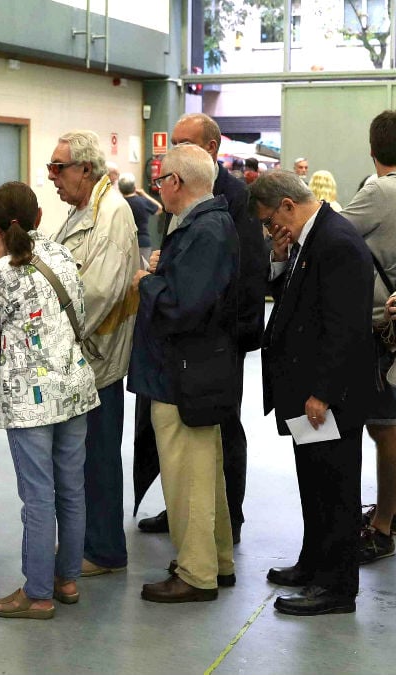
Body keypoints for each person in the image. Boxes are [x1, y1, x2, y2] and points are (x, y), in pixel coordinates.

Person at [0, 182, 99, 620]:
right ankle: (67, 581)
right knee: (72, 490)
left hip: (30, 400)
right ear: (40, 216)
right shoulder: (62, 256)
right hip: (75, 388)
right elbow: (80, 313)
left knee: (38, 496)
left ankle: (38, 593)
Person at [138, 113, 267, 546]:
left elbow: (246, 274)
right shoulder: (184, 202)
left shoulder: (230, 203)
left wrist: (154, 285)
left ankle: (225, 519)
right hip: (183, 340)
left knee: (217, 432)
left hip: (213, 338)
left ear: (209, 149)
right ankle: (185, 512)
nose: (173, 147)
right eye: (171, 141)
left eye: (183, 142)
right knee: (186, 445)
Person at [252, 170, 375, 615]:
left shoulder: (336, 242)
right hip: (309, 392)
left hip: (331, 398)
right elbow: (292, 301)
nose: (271, 230)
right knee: (313, 480)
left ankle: (337, 587)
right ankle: (314, 562)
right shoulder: (310, 239)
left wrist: (322, 392)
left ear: (288, 205)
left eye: (269, 221)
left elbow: (345, 329)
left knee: (336, 488)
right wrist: (279, 259)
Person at [128, 145, 238, 603]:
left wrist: (146, 283)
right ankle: (216, 558)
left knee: (186, 474)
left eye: (161, 181)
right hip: (193, 368)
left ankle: (195, 573)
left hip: (181, 370)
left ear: (176, 182)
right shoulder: (207, 224)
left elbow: (183, 307)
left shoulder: (204, 230)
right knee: (205, 470)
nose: (158, 189)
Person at [38, 130, 137, 578]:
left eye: (59, 168)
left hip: (96, 362)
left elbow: (98, 293)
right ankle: (91, 541)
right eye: (51, 167)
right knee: (79, 460)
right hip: (77, 360)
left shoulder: (112, 215)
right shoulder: (82, 211)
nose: (52, 176)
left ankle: (103, 548)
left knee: (97, 458)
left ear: (85, 169)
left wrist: (50, 333)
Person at [340, 109, 396, 563]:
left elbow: (334, 232)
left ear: (373, 148)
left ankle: (382, 525)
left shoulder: (379, 189)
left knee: (386, 429)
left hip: (383, 330)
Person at [120, 174, 162, 265]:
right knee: (143, 270)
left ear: (120, 189)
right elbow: (159, 208)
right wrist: (144, 194)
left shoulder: (120, 204)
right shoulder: (142, 201)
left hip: (125, 243)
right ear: (134, 188)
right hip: (142, 241)